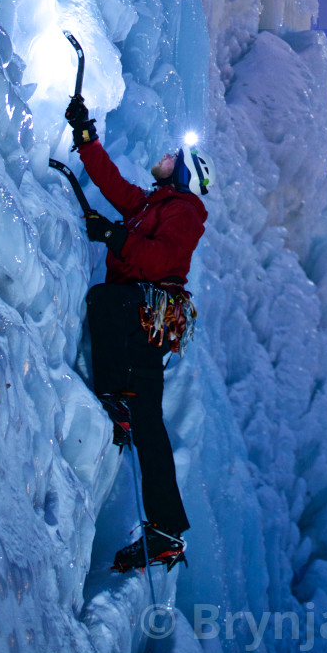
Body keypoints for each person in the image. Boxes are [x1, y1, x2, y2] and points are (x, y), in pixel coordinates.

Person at [64, 91, 210, 572]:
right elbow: (111, 184)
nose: (162, 157)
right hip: (144, 316)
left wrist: (115, 235)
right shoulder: (150, 203)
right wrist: (85, 135)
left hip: (149, 312)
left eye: (171, 157)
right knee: (150, 425)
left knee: (104, 300)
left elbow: (160, 261)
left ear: (183, 172)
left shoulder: (183, 210)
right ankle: (165, 531)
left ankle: (115, 402)